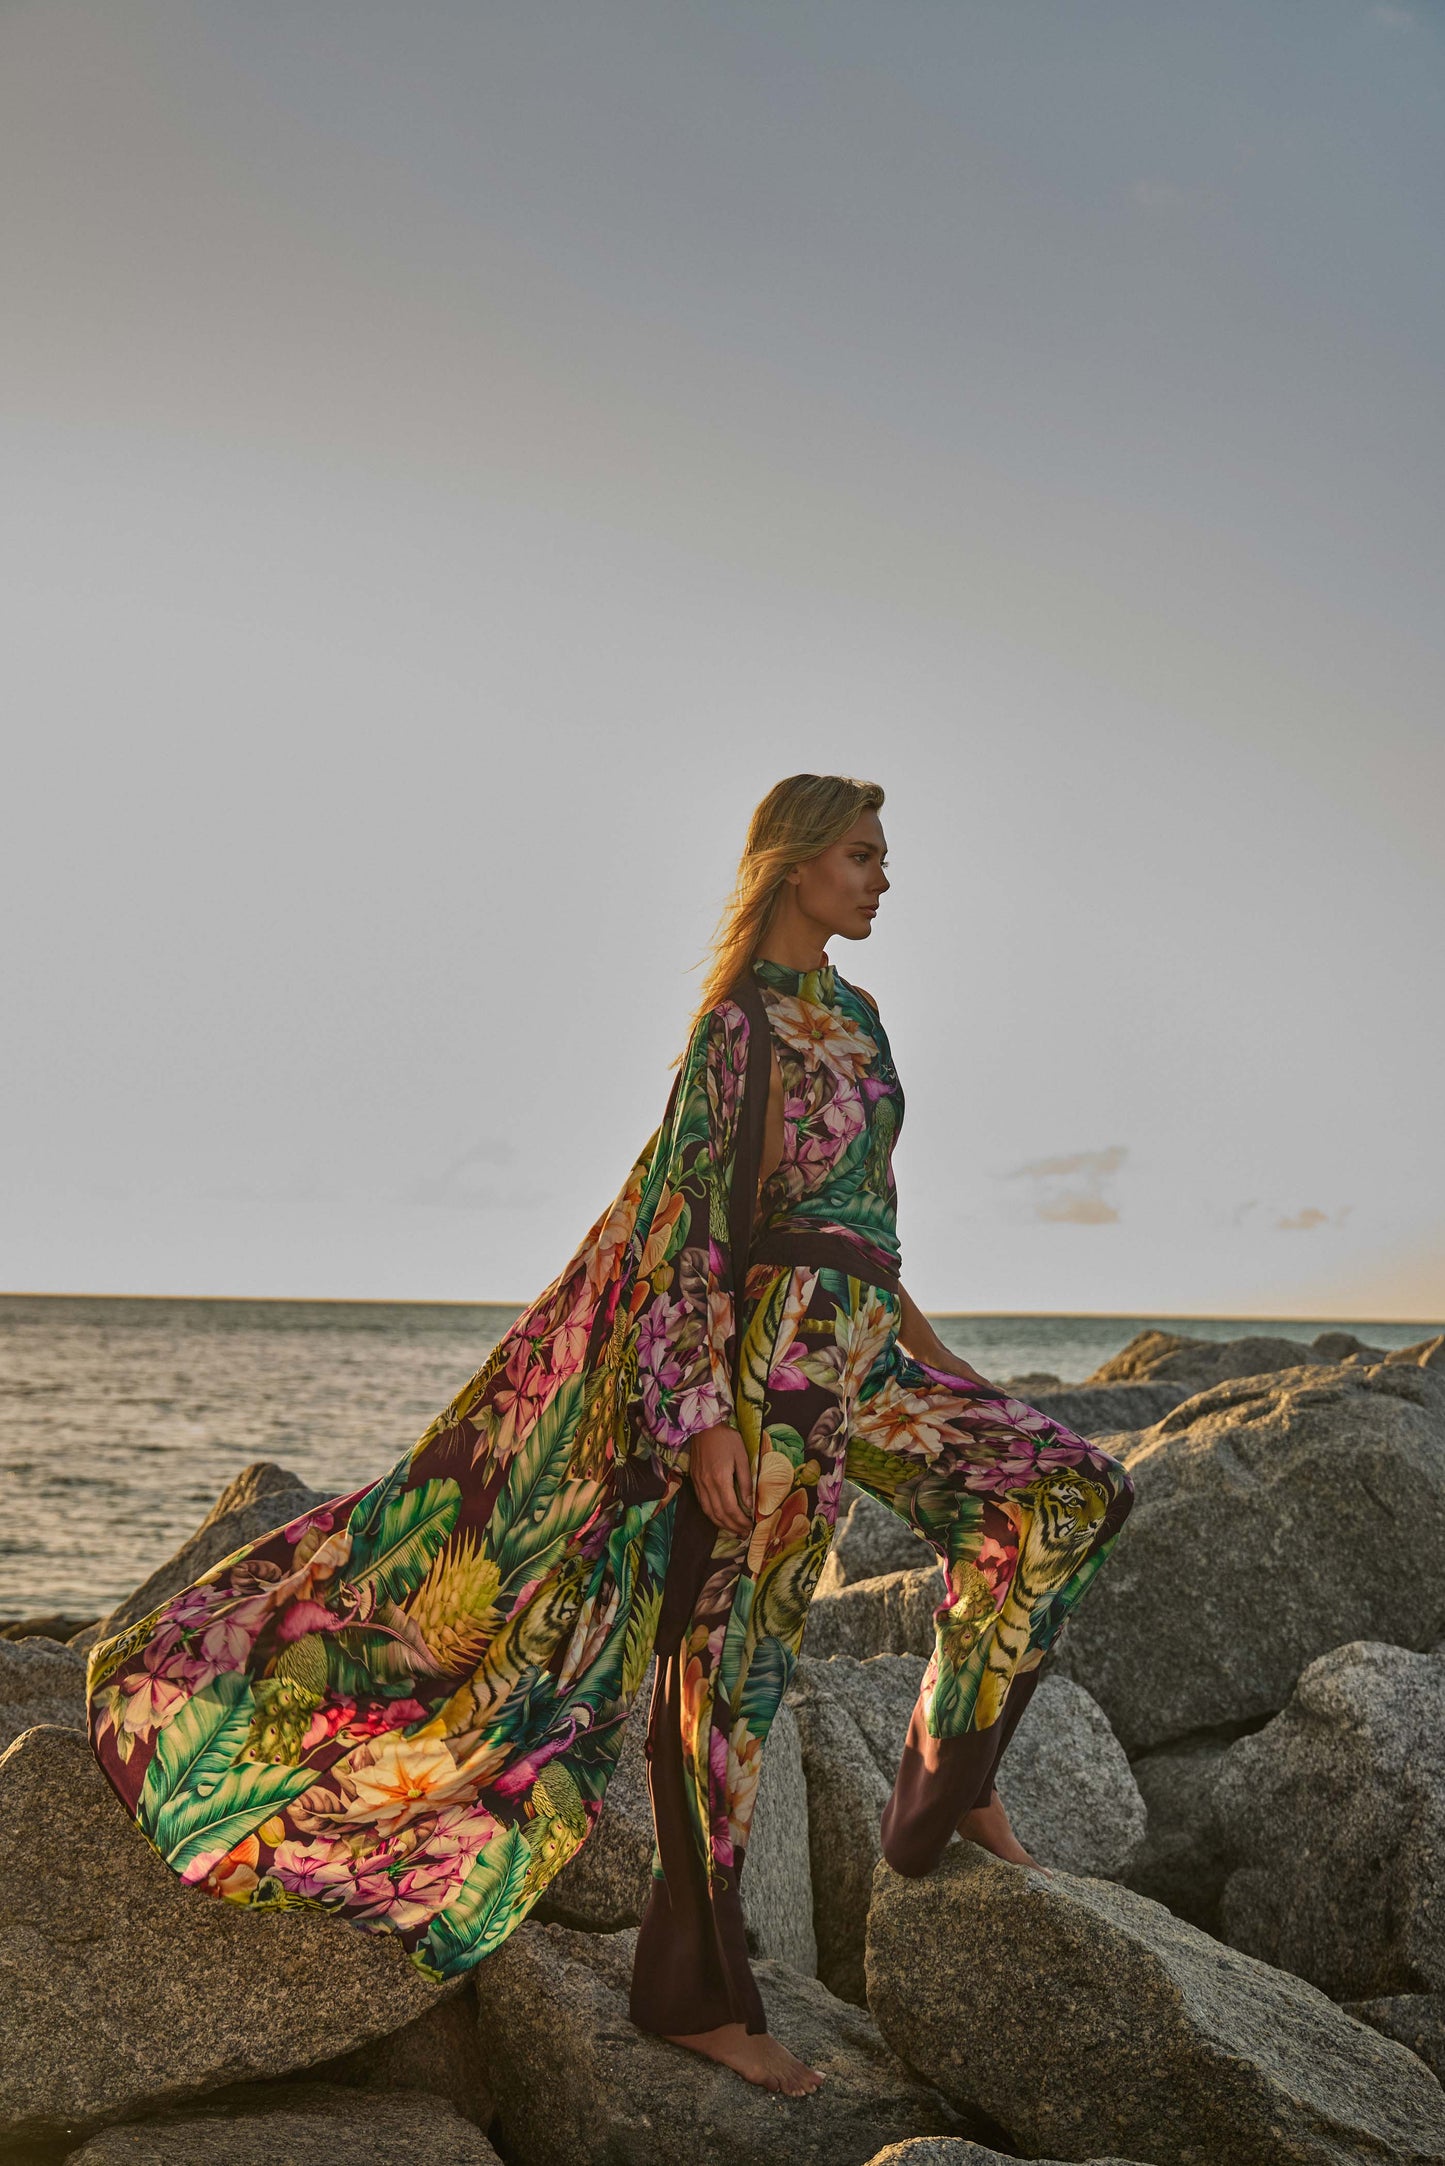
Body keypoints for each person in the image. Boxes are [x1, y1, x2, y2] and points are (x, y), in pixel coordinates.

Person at [87, 773, 1133, 2100]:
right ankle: (694, 1991)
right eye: (862, 854)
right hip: (763, 1372)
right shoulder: (734, 1029)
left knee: (1064, 1492)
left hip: (863, 1344)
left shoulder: (857, 1019)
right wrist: (701, 1417)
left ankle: (948, 1781)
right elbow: (691, 1227)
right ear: (798, 863)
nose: (883, 877)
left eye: (883, 855)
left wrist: (931, 1352)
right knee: (731, 1666)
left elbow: (859, 1212)